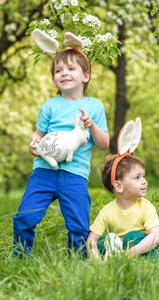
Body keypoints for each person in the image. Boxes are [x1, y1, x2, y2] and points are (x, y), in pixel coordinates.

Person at [13, 48, 110, 257]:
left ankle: (77, 263)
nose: (64, 73)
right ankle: (20, 258)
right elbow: (37, 135)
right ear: (53, 80)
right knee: (25, 217)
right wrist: (34, 144)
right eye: (59, 70)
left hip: (75, 176)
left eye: (71, 68)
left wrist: (91, 125)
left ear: (86, 76)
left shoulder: (94, 106)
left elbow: (104, 144)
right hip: (43, 172)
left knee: (79, 225)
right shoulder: (50, 106)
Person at [86, 154, 159, 261]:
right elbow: (91, 239)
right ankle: (113, 257)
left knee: (131, 236)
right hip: (123, 247)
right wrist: (97, 261)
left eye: (144, 176)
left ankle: (153, 263)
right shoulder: (107, 211)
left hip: (150, 247)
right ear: (119, 186)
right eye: (137, 177)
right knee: (102, 243)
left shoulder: (146, 207)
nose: (144, 181)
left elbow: (155, 236)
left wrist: (129, 254)